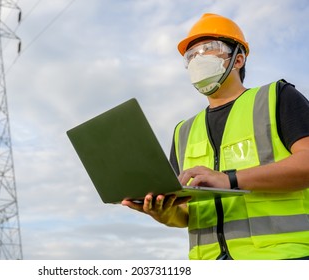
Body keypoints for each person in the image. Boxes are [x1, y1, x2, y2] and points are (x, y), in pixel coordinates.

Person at [122, 13, 309, 260]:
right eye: (191, 56)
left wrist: (228, 179)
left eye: (208, 49)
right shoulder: (183, 131)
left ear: (238, 59)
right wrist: (162, 212)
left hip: (283, 257)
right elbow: (186, 212)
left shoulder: (277, 97)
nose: (198, 59)